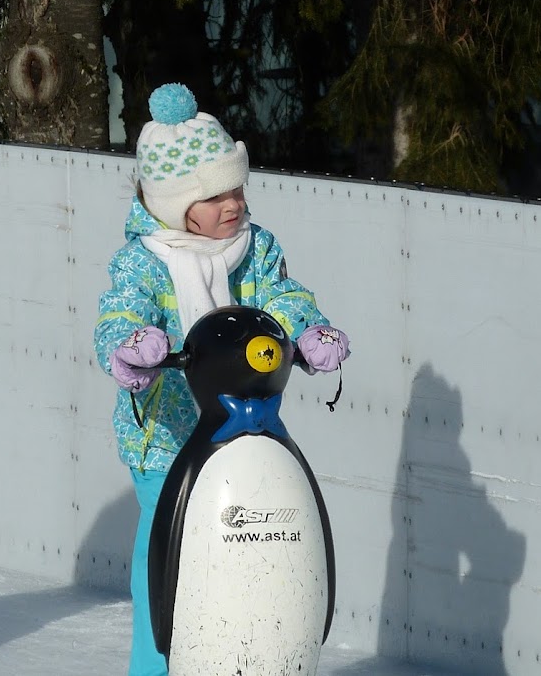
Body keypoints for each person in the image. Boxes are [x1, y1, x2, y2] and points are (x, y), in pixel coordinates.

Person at [93, 83, 350, 676]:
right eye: (213, 197)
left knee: (250, 557)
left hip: (246, 434)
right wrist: (134, 346)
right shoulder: (144, 260)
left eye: (236, 189)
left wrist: (307, 334)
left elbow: (284, 298)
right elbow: (119, 312)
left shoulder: (254, 248)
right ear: (172, 204)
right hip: (166, 442)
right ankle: (158, 663)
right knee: (173, 565)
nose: (231, 205)